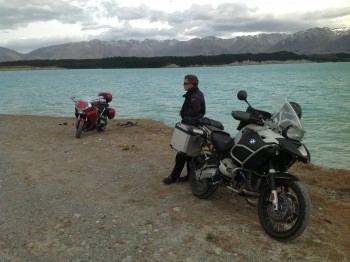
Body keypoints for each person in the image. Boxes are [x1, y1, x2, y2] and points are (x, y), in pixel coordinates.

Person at [163, 74, 206, 185]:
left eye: (185, 83)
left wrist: (182, 113)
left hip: (192, 128)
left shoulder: (195, 96)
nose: (183, 85)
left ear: (191, 84)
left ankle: (174, 176)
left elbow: (195, 113)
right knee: (188, 154)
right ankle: (188, 175)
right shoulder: (194, 94)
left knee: (182, 154)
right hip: (192, 127)